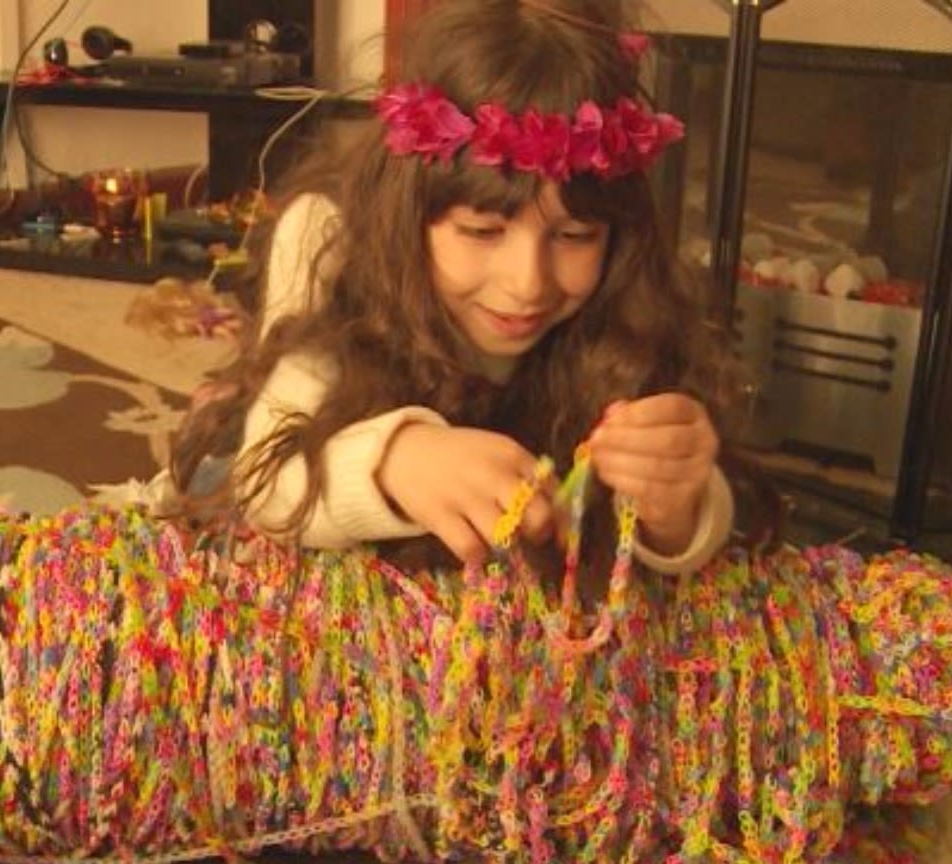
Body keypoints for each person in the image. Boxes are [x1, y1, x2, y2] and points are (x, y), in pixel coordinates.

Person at [169, 0, 776, 574]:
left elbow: (718, 533)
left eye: (574, 236)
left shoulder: (627, 299)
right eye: (482, 231)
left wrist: (678, 511)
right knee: (209, 474)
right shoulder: (330, 239)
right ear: (410, 211)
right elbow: (265, 484)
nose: (527, 284)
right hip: (303, 443)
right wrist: (394, 462)